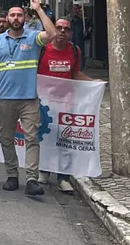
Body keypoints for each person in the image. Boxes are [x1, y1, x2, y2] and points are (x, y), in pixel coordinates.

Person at [0, 0, 56, 196]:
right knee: (6, 138)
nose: (16, 18)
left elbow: (51, 34)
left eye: (19, 15)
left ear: (25, 18)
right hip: (6, 99)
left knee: (32, 138)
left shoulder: (33, 38)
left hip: (29, 100)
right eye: (12, 15)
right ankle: (12, 175)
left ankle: (32, 179)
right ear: (7, 18)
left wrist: (39, 9)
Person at [37, 18, 92, 193]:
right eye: (58, 28)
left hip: (66, 103)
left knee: (65, 141)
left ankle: (63, 177)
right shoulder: (42, 49)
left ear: (70, 33)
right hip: (45, 103)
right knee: (45, 138)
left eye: (65, 29)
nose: (61, 31)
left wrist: (94, 83)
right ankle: (44, 171)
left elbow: (76, 73)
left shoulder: (75, 51)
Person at [69, 4, 90, 70]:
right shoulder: (68, 21)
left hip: (80, 42)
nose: (76, 11)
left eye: (77, 9)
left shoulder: (81, 21)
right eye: (75, 9)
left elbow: (86, 31)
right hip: (71, 42)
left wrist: (85, 32)